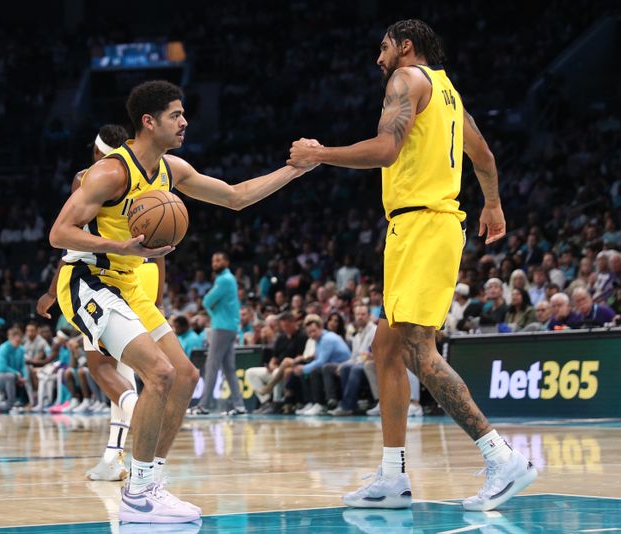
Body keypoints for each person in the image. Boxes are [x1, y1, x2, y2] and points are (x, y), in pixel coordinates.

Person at [288, 19, 536, 511]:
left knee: (420, 349)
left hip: (424, 224)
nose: (378, 59)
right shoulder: (448, 92)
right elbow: (483, 155)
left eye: (383, 48)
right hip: (421, 226)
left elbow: (386, 149)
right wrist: (493, 204)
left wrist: (319, 155)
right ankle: (392, 477)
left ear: (405, 46)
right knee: (385, 346)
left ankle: (500, 456)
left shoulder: (405, 80)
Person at [48, 80, 316, 523]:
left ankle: (150, 483)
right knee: (159, 373)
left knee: (186, 376)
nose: (185, 121)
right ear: (148, 122)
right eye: (176, 114)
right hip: (88, 281)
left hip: (128, 284)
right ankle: (137, 494)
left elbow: (235, 196)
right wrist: (124, 248)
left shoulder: (172, 169)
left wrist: (296, 170)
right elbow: (59, 233)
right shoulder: (111, 172)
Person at [38, 125, 147, 481]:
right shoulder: (145, 178)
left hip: (98, 279)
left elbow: (72, 241)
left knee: (100, 367)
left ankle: (142, 416)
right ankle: (115, 457)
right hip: (138, 278)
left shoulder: (87, 179)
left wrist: (54, 291)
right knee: (124, 372)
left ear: (98, 153)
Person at [190, 251, 245, 415]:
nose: (215, 263)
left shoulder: (224, 279)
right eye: (213, 260)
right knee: (228, 368)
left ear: (227, 262)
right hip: (229, 326)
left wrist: (212, 309)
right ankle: (239, 405)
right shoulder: (229, 279)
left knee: (211, 365)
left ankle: (204, 405)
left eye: (219, 260)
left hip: (222, 327)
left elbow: (207, 300)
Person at [0, 326, 28, 412]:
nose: (17, 342)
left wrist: (24, 376)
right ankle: (11, 402)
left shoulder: (21, 349)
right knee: (10, 376)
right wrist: (17, 373)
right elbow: (2, 366)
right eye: (16, 340)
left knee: (26, 373)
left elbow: (22, 365)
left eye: (19, 340)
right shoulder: (3, 348)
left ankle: (31, 402)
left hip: (15, 376)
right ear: (10, 338)